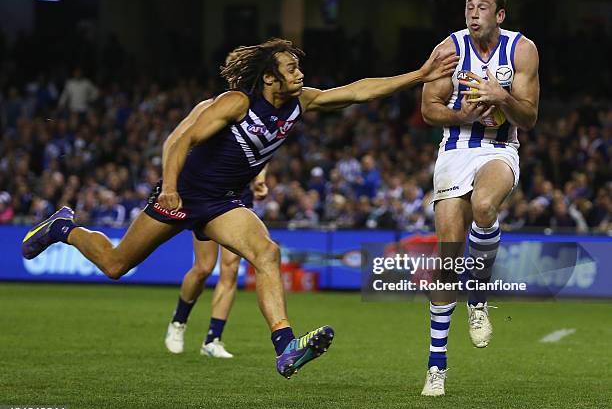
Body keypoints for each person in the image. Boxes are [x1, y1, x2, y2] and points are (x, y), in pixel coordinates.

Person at [22, 38, 458, 379]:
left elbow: (359, 92)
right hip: (183, 196)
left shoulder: (300, 101)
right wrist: (170, 187)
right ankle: (65, 228)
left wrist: (420, 75)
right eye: (291, 68)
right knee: (116, 265)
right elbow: (179, 141)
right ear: (269, 77)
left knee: (266, 253)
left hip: (222, 203)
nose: (300, 73)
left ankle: (285, 347)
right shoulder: (237, 102)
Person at [420, 0, 539, 396]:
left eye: (483, 7)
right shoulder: (448, 50)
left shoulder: (522, 50)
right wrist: (461, 112)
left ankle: (478, 295)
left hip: (499, 148)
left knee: (485, 205)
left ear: (499, 15)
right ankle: (437, 367)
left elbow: (528, 118)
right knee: (448, 262)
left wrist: (501, 96)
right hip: (454, 149)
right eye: (469, 6)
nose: (474, 13)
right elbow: (427, 109)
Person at [165, 166, 269, 358]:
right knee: (204, 267)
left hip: (239, 194)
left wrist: (259, 178)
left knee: (230, 269)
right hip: (207, 191)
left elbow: (260, 150)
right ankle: (179, 321)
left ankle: (212, 340)